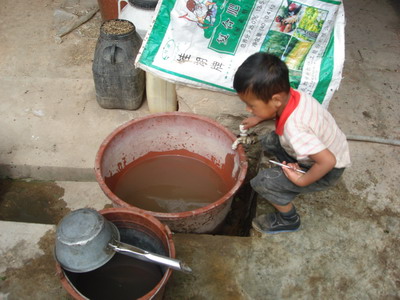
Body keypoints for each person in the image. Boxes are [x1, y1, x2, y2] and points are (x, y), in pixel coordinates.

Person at [233, 52, 351, 234]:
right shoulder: (294, 96)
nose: (248, 109)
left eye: (252, 105)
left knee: (262, 183)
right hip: (330, 149)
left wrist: (302, 180)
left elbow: (328, 161)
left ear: (276, 100)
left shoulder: (295, 129)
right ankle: (292, 170)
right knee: (270, 140)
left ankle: (289, 219)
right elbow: (276, 113)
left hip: (327, 170)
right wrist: (258, 118)